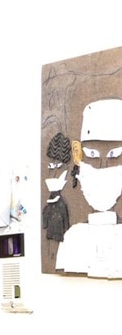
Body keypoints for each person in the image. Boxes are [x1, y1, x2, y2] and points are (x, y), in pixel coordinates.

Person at [55, 98, 122, 276]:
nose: (102, 166)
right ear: (77, 153)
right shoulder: (73, 238)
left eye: (114, 155)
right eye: (92, 154)